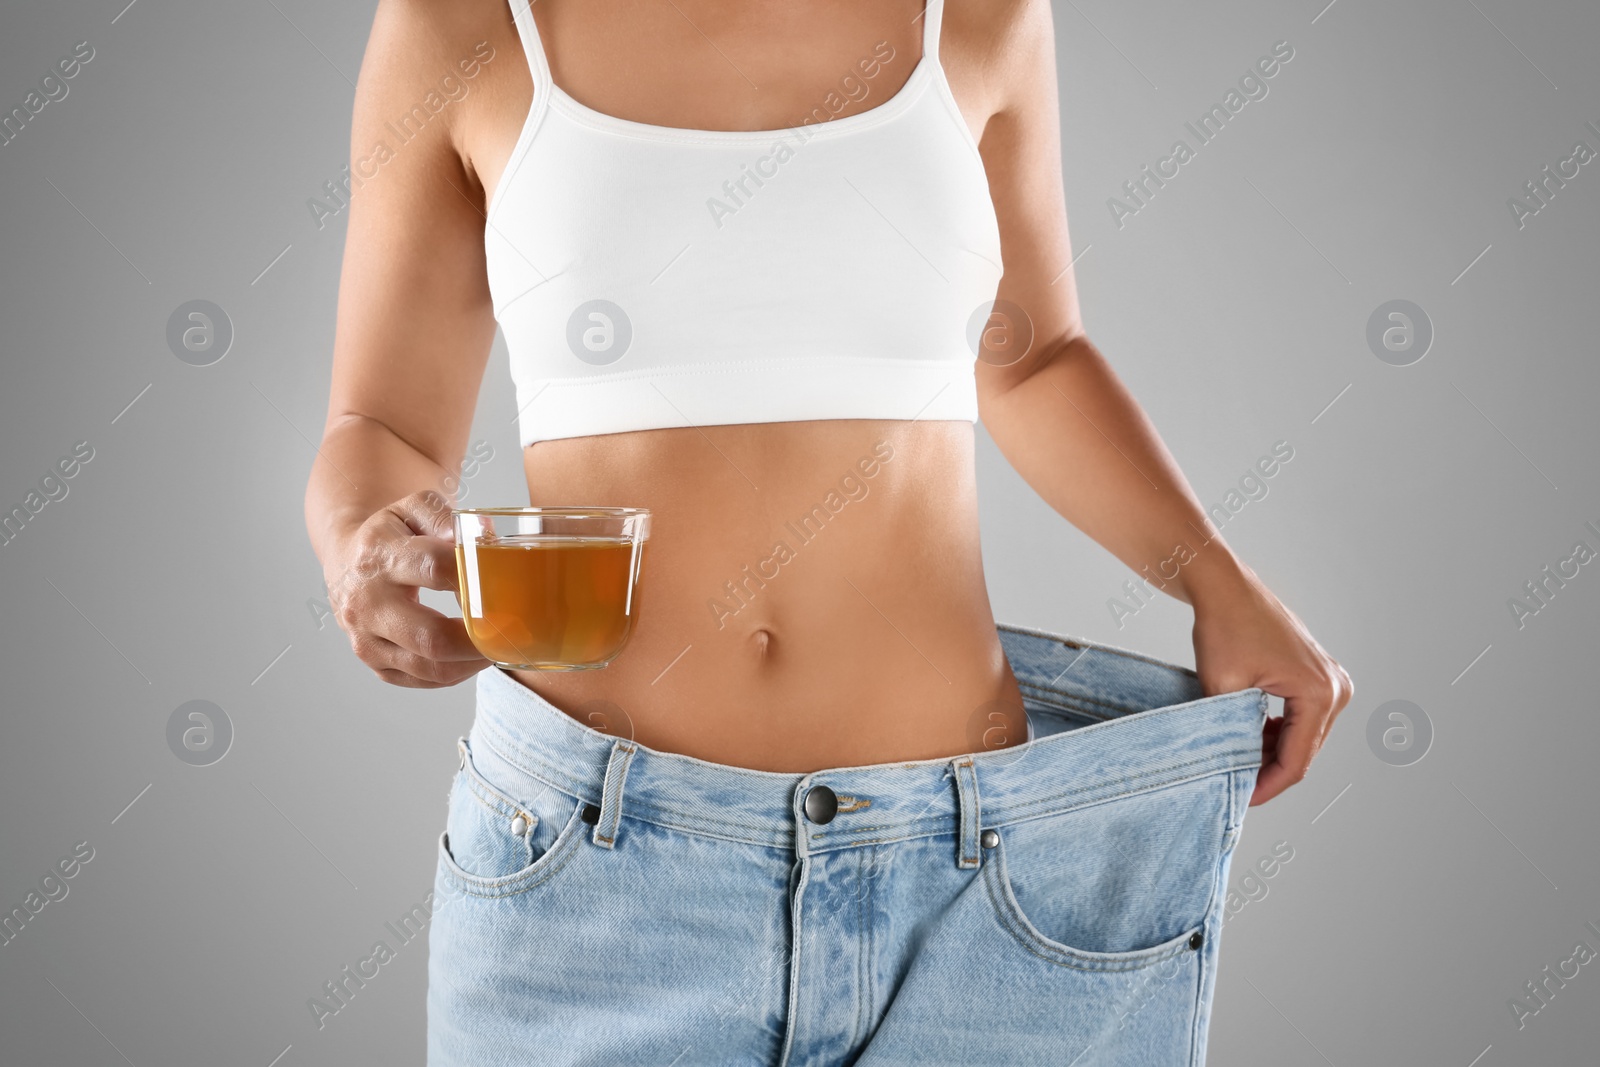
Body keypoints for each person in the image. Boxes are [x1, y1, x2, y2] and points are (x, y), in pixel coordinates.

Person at [304, 0, 1353, 1062]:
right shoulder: (463, 23)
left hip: (977, 885)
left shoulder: (985, 15)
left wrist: (1217, 581)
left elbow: (1033, 358)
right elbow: (379, 423)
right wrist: (363, 542)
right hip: (595, 879)